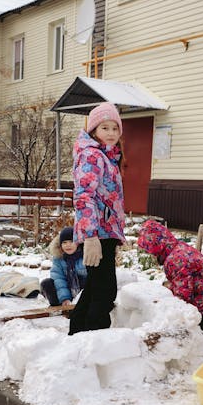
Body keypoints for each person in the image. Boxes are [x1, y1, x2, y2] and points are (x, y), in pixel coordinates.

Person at [69, 102, 126, 335]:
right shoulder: (93, 156)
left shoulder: (107, 157)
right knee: (104, 292)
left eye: (115, 128)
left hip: (105, 232)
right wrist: (91, 237)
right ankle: (96, 339)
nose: (111, 133)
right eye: (105, 128)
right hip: (97, 233)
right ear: (94, 130)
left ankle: (77, 335)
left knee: (94, 288)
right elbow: (84, 196)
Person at [137, 219, 203, 341]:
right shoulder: (177, 248)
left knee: (175, 322)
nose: (150, 253)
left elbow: (183, 296)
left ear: (156, 245)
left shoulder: (176, 260)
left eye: (148, 248)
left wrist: (164, 307)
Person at [40, 226, 87, 307]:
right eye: (64, 243)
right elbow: (59, 279)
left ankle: (81, 304)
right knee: (47, 283)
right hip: (66, 291)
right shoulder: (58, 259)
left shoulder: (85, 256)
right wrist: (65, 298)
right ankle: (59, 305)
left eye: (71, 242)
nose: (68, 245)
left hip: (83, 292)